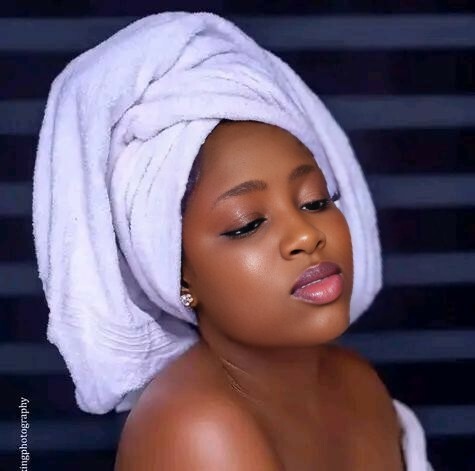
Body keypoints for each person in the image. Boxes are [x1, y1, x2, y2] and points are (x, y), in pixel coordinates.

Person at [32, 12, 432, 471]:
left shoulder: (356, 381)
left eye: (316, 201)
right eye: (247, 225)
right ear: (180, 274)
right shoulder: (196, 430)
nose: (306, 235)